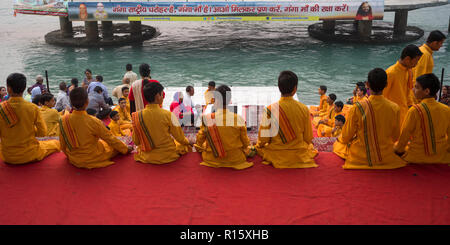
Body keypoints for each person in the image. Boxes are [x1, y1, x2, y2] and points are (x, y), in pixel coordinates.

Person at [333, 68, 406, 169]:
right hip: (386, 154)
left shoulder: (358, 107)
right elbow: (395, 137)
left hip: (361, 155)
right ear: (386, 84)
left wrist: (341, 139)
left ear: (367, 84)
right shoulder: (395, 108)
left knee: (339, 145)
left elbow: (346, 136)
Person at [256, 71, 318, 169]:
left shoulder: (270, 110)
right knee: (309, 148)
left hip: (276, 153)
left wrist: (259, 145)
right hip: (298, 153)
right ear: (295, 89)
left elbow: (263, 139)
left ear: (279, 88)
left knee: (260, 148)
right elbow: (308, 138)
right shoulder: (304, 108)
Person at [59, 87, 131, 169]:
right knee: (112, 146)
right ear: (87, 102)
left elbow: (62, 142)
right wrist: (125, 149)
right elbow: (110, 138)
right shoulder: (94, 121)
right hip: (92, 157)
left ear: (71, 102)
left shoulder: (63, 119)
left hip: (73, 157)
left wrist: (69, 155)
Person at [0, 73, 60, 164]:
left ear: (8, 89)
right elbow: (42, 133)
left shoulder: (1, 108)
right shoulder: (33, 108)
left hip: (7, 156)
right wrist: (30, 130)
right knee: (55, 143)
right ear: (24, 89)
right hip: (29, 154)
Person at [394, 73, 450, 164]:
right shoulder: (447, 110)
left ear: (426, 91)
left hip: (417, 156)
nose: (413, 89)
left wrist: (398, 150)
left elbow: (404, 138)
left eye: (416, 87)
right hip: (442, 156)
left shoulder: (415, 110)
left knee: (394, 147)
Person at [195, 84, 253, 170]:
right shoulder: (238, 119)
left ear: (217, 101)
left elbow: (199, 141)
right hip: (236, 159)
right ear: (229, 101)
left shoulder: (207, 118)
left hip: (211, 158)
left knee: (203, 145)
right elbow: (245, 143)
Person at [132, 82, 192, 164]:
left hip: (147, 156)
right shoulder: (168, 114)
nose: (163, 97)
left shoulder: (137, 116)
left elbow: (136, 141)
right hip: (167, 155)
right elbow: (180, 138)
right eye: (161, 95)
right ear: (157, 96)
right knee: (183, 145)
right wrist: (189, 142)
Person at [384, 44, 423, 125]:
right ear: (407, 59)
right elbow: (382, 96)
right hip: (392, 115)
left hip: (404, 112)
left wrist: (412, 106)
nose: (417, 64)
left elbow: (408, 92)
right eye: (416, 60)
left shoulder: (408, 71)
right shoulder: (391, 73)